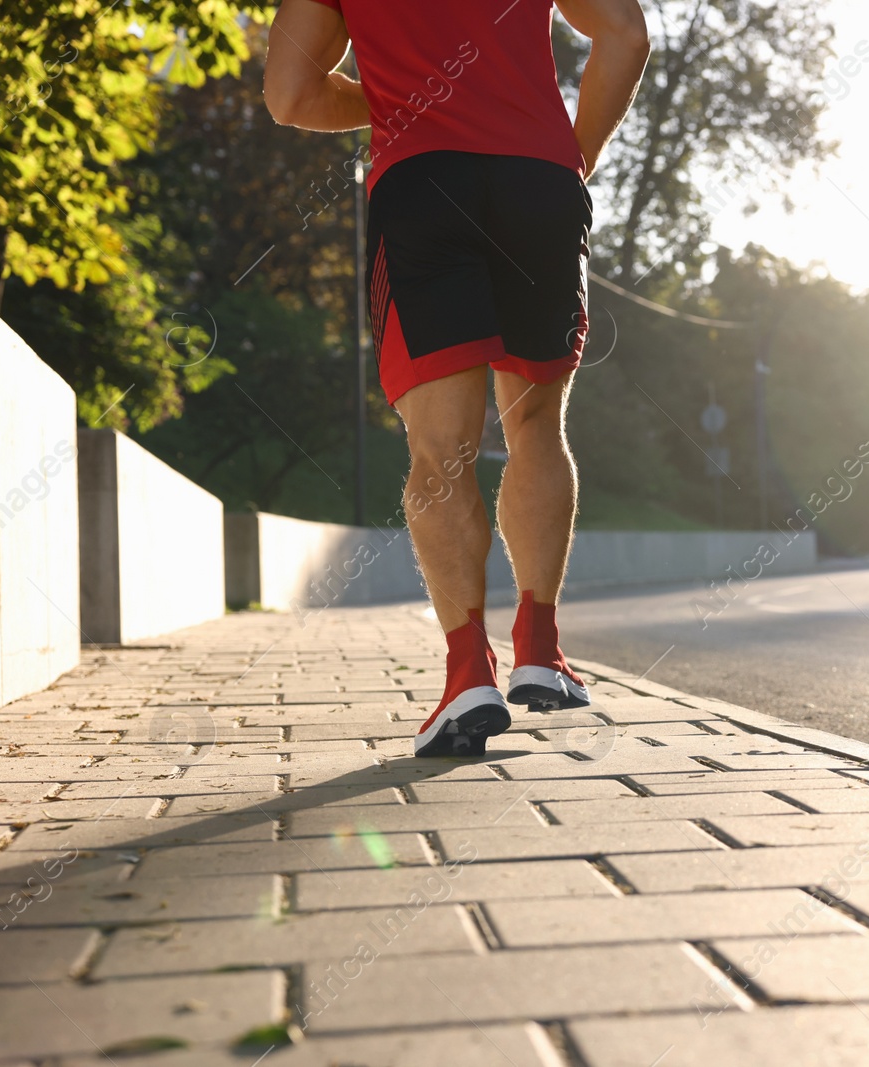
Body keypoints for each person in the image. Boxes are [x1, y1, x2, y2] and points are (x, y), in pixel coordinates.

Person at [263, 0, 650, 756]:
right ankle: (540, 647)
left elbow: (291, 94)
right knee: (537, 425)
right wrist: (573, 157)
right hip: (537, 181)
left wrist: (395, 100)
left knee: (442, 451)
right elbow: (625, 32)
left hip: (424, 183)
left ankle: (467, 671)